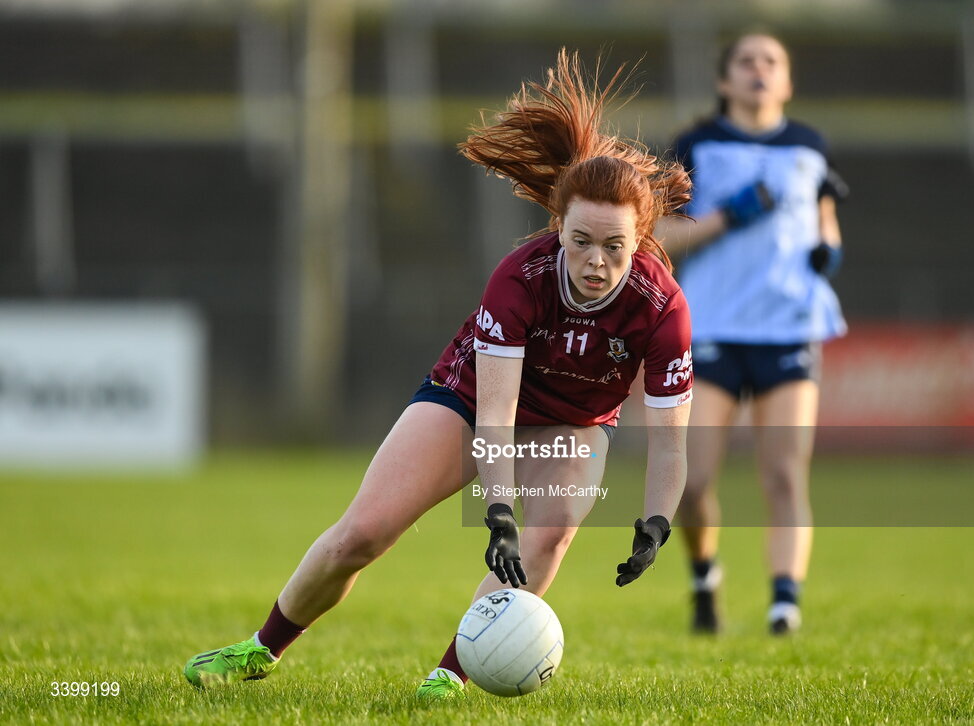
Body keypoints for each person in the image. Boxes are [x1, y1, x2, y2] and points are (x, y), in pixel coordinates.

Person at [182, 49, 695, 699]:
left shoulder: (662, 310)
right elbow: (498, 416)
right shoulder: (519, 280)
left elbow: (672, 442)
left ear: (640, 236)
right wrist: (499, 511)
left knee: (556, 528)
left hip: (575, 419)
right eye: (581, 242)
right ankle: (261, 647)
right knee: (361, 536)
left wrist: (655, 523)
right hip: (472, 399)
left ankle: (450, 675)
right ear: (557, 228)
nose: (596, 261)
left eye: (614, 246)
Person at [656, 32, 848, 636]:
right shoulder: (696, 146)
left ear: (787, 82)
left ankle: (783, 605)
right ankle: (704, 576)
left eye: (772, 62)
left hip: (788, 326)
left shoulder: (809, 147)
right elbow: (661, 234)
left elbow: (826, 222)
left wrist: (829, 252)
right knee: (692, 483)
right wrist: (729, 215)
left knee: (785, 474)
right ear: (724, 81)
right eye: (746, 61)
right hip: (711, 326)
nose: (759, 70)